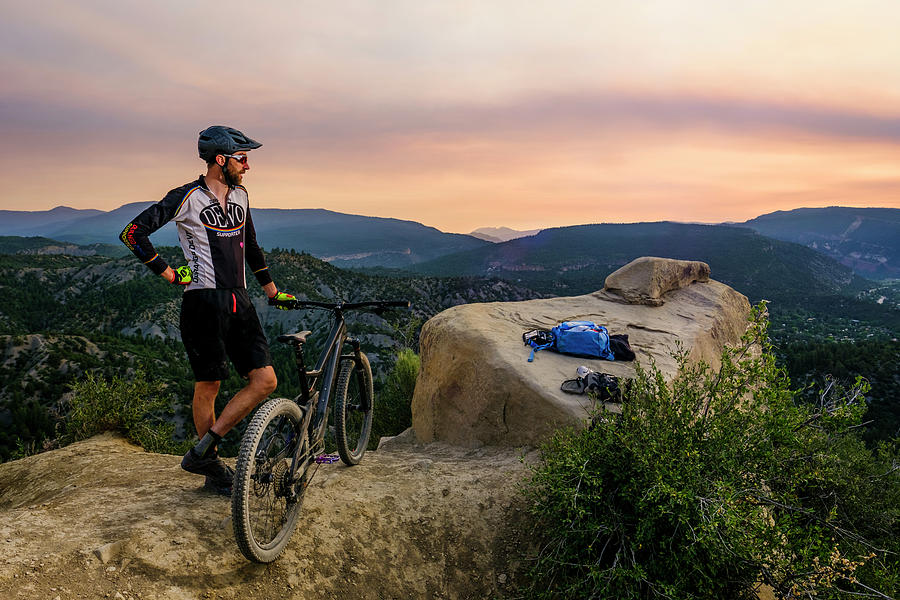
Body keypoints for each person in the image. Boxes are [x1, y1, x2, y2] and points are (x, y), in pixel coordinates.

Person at [119, 125, 295, 495]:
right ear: (221, 160)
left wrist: (272, 290)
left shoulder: (242, 196)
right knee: (209, 384)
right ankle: (213, 469)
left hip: (240, 300)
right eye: (242, 159)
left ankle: (203, 449)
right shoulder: (186, 196)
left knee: (265, 381)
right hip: (202, 302)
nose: (247, 167)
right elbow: (133, 233)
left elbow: (251, 246)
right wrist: (167, 272)